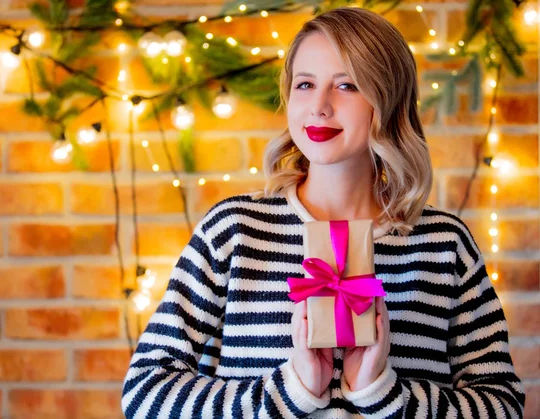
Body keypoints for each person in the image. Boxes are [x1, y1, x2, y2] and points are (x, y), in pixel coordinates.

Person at [121, 7, 525, 418]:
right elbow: (145, 392)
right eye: (305, 84)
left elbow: (503, 405)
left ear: (387, 99)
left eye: (347, 85)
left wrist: (383, 393)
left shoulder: (443, 243)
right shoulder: (234, 231)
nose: (319, 106)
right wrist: (290, 390)